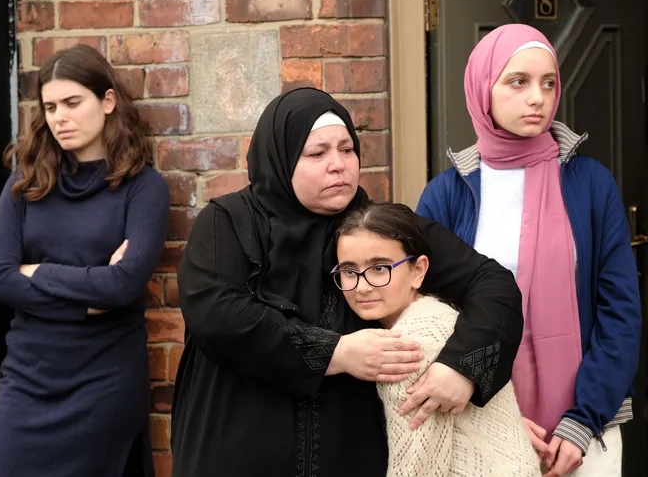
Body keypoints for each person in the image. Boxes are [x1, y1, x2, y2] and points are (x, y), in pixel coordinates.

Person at [170, 87, 524, 477]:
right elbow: (216, 313)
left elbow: (492, 283)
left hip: (349, 454)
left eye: (347, 149)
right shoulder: (229, 222)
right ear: (281, 158)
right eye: (317, 154)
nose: (338, 165)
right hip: (234, 452)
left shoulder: (374, 227)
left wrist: (462, 368)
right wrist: (335, 353)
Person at [416, 24, 641, 476]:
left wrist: (582, 421)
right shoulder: (447, 195)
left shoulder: (591, 184)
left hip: (585, 435)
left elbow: (620, 311)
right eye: (518, 81)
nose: (538, 97)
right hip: (482, 426)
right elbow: (427, 316)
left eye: (548, 83)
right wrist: (494, 413)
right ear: (483, 87)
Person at [0, 44, 169, 476]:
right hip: (28, 374)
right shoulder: (27, 182)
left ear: (107, 101)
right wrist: (88, 297)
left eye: (72, 102)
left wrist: (36, 272)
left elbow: (122, 286)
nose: (59, 117)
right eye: (50, 107)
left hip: (103, 380)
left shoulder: (143, 188)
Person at [333, 202, 541, 477]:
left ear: (418, 270)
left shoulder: (402, 350)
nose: (362, 286)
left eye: (380, 268)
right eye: (349, 272)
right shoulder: (447, 315)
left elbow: (417, 469)